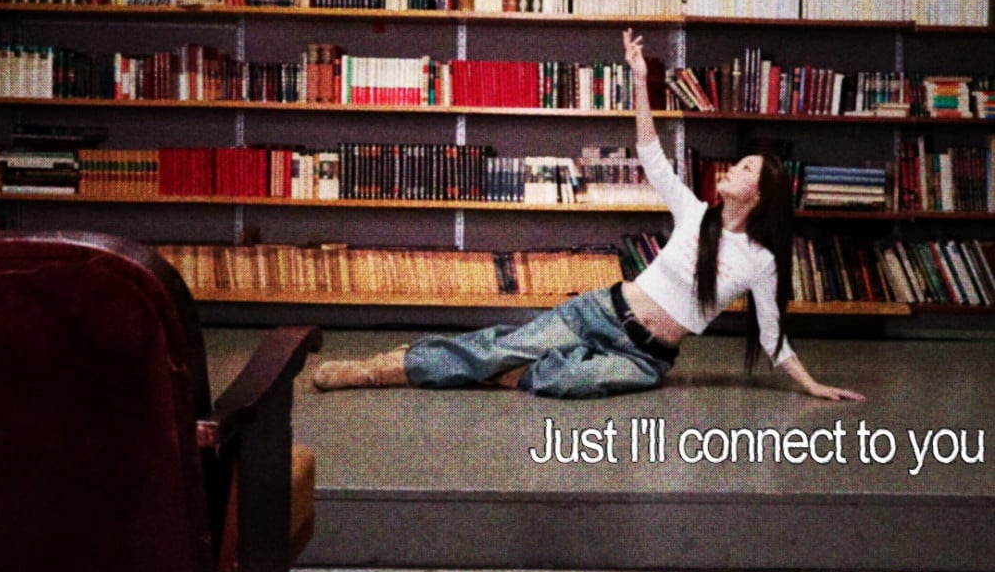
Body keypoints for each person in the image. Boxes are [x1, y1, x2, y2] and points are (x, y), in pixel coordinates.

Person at [312, 29, 865, 402]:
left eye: (745, 169)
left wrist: (812, 386)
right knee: (501, 347)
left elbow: (772, 336)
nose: (732, 168)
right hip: (601, 312)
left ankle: (505, 369)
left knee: (573, 383)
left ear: (760, 195)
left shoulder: (760, 261)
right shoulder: (694, 212)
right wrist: (639, 82)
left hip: (646, 358)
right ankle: (382, 369)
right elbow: (650, 153)